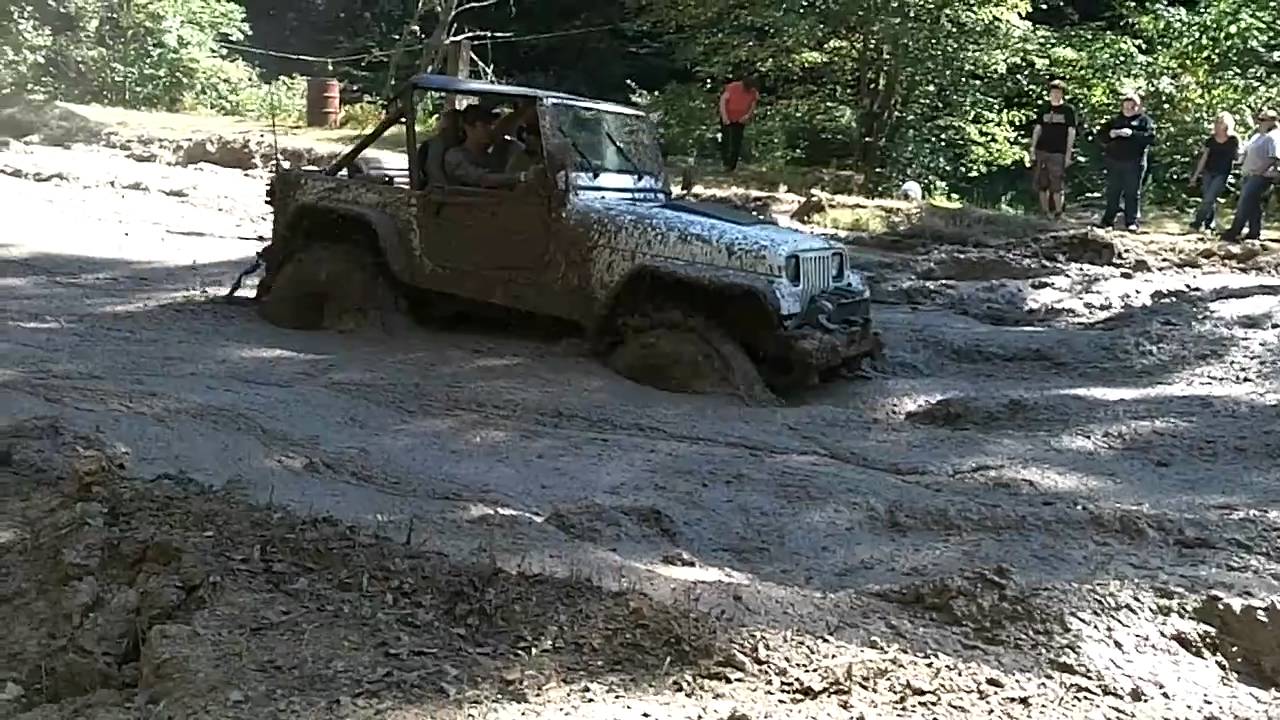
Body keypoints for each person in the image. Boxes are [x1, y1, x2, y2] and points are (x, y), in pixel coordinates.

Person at [1096, 92, 1156, 232]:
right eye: (1126, 107)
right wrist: (1111, 134)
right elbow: (1100, 136)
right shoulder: (1115, 121)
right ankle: (1108, 220)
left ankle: (1131, 221)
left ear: (1138, 107)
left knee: (1132, 192)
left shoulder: (1144, 121)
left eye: (1132, 107)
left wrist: (1132, 134)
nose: (1128, 109)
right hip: (1114, 161)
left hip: (1134, 162)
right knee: (1113, 191)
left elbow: (1151, 138)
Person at [444, 105, 540, 189]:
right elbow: (482, 179)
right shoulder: (455, 156)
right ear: (468, 128)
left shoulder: (494, 155)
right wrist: (522, 177)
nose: (490, 129)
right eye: (484, 125)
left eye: (491, 124)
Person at [1221, 109, 1279, 242]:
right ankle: (1254, 232)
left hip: (1263, 176)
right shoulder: (1258, 136)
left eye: (1263, 120)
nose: (1259, 122)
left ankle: (1234, 231)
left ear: (1272, 121)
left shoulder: (1275, 137)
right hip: (1248, 173)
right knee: (1253, 205)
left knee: (1244, 201)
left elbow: (1274, 157)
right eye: (1259, 119)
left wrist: (1260, 170)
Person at [1028, 79, 1078, 219]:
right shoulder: (1043, 109)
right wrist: (1032, 148)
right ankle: (1044, 212)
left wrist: (1068, 154)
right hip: (1041, 150)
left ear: (1062, 94)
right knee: (1041, 183)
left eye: (1058, 92)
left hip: (1058, 152)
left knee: (1057, 184)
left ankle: (1059, 212)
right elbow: (1038, 128)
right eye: (1053, 92)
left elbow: (1071, 132)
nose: (1055, 95)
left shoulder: (1068, 110)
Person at [1188, 111, 1240, 233]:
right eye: (1217, 122)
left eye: (1221, 122)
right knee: (1208, 199)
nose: (1218, 125)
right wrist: (1195, 176)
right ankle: (1209, 225)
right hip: (1208, 171)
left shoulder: (1233, 139)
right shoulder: (1211, 140)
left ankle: (1196, 223)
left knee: (1209, 198)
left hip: (1222, 173)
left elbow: (1237, 157)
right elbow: (1204, 158)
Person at [718, 75, 760, 172]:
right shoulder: (733, 87)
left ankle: (732, 165)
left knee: (737, 141)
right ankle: (725, 163)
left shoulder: (753, 92)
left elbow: (753, 105)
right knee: (727, 140)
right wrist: (724, 116)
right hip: (728, 116)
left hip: (740, 119)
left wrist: (747, 116)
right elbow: (723, 101)